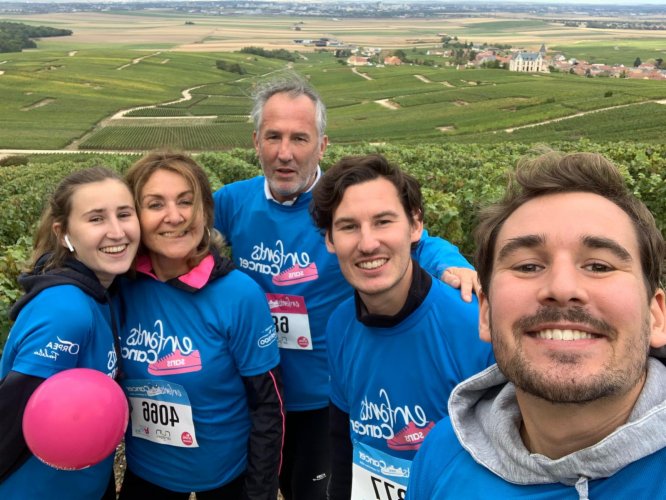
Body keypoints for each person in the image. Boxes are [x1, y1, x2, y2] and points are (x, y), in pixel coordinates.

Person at [213, 73, 479, 500]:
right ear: (256, 141)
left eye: (300, 138)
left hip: (326, 396)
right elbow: (179, 234)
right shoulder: (232, 201)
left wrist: (455, 265)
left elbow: (415, 241)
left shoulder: (342, 205)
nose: (284, 153)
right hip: (261, 393)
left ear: (322, 145)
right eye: (273, 137)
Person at [407, 151, 666, 499]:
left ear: (655, 316)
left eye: (599, 266)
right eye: (528, 266)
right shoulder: (442, 454)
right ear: (485, 313)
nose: (562, 288)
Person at [310, 153, 495, 499]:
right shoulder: (339, 326)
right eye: (349, 227)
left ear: (415, 226)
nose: (367, 244)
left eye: (383, 222)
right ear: (330, 240)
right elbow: (343, 443)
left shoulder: (475, 327)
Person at [116, 151, 283, 500]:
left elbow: (268, 405)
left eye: (186, 201)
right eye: (155, 204)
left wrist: (260, 492)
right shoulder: (120, 287)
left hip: (227, 475)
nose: (174, 216)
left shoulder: (239, 295)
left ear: (205, 211)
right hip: (147, 472)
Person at [0, 167, 140, 499]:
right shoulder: (67, 311)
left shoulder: (102, 291)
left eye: (124, 214)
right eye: (96, 219)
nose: (117, 231)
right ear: (63, 232)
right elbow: (9, 423)